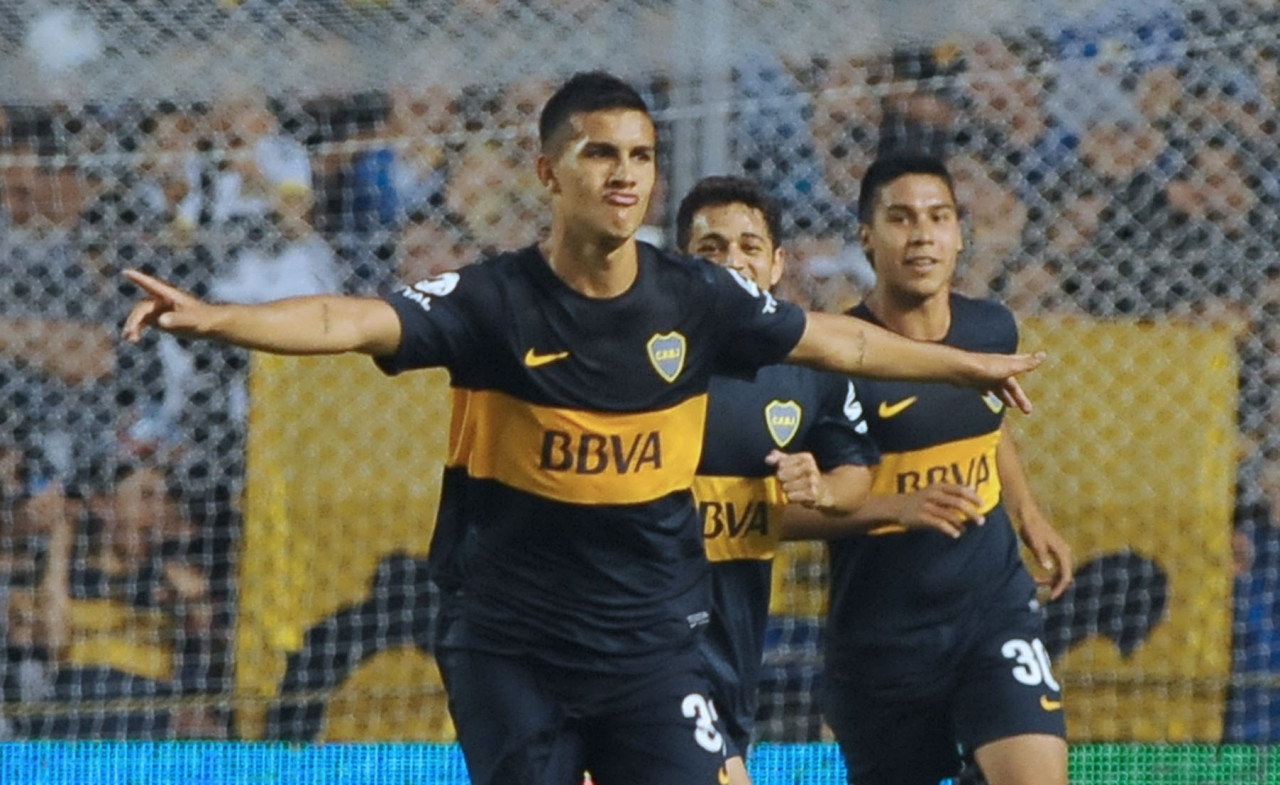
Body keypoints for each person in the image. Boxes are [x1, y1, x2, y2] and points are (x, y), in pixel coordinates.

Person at [121, 72, 1042, 785]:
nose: (624, 174)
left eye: (640, 156)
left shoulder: (697, 298)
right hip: (514, 644)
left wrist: (966, 365)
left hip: (650, 644)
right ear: (548, 172)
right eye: (601, 154)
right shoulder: (493, 300)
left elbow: (842, 339)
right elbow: (344, 320)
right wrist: (215, 317)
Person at [819, 154, 1073, 785]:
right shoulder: (832, 356)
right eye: (900, 218)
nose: (922, 235)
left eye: (938, 217)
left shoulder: (991, 328)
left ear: (960, 233)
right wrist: (894, 507)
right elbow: (787, 506)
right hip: (882, 638)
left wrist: (1027, 511)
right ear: (866, 237)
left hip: (992, 612)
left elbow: (988, 423)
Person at [676, 175, 879, 784]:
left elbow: (855, 472)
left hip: (731, 636)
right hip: (637, 627)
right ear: (678, 265)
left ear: (775, 264)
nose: (731, 262)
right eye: (710, 249)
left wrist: (821, 490)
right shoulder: (640, 356)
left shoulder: (809, 367)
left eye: (748, 247)